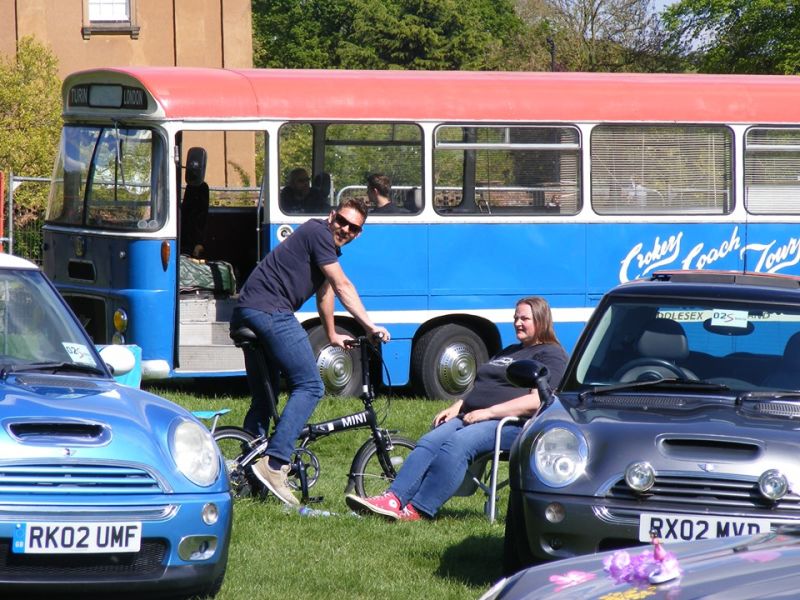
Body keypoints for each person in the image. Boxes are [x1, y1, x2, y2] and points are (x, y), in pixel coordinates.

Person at [345, 296, 568, 521]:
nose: (518, 323)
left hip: (510, 424)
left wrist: (488, 412)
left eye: (525, 319)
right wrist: (458, 405)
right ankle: (393, 499)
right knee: (429, 442)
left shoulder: (551, 354)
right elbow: (484, 385)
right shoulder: (509, 351)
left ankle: (418, 509)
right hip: (473, 416)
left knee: (457, 444)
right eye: (516, 318)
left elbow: (536, 402)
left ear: (541, 320)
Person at [231, 198, 390, 506]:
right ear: (332, 216)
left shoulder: (325, 246)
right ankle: (275, 464)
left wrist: (331, 334)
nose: (344, 229)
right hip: (270, 310)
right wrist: (370, 326)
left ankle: (247, 468)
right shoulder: (317, 233)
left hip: (249, 310)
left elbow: (326, 294)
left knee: (266, 397)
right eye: (342, 221)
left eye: (352, 227)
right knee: (311, 385)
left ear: (359, 233)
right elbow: (343, 286)